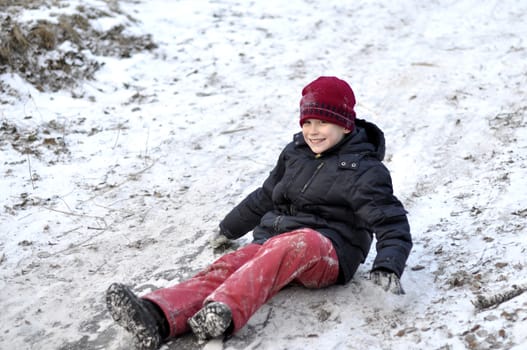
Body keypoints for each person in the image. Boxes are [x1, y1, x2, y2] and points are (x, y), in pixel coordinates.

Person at [105, 76, 413, 350]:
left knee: (295, 242)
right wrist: (229, 227)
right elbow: (266, 196)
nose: (313, 131)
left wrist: (388, 265)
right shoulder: (295, 155)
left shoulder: (364, 169)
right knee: (232, 264)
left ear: (345, 124)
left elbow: (390, 220)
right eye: (307, 122)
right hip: (276, 245)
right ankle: (158, 315)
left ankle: (224, 312)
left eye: (322, 122)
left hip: (328, 250)